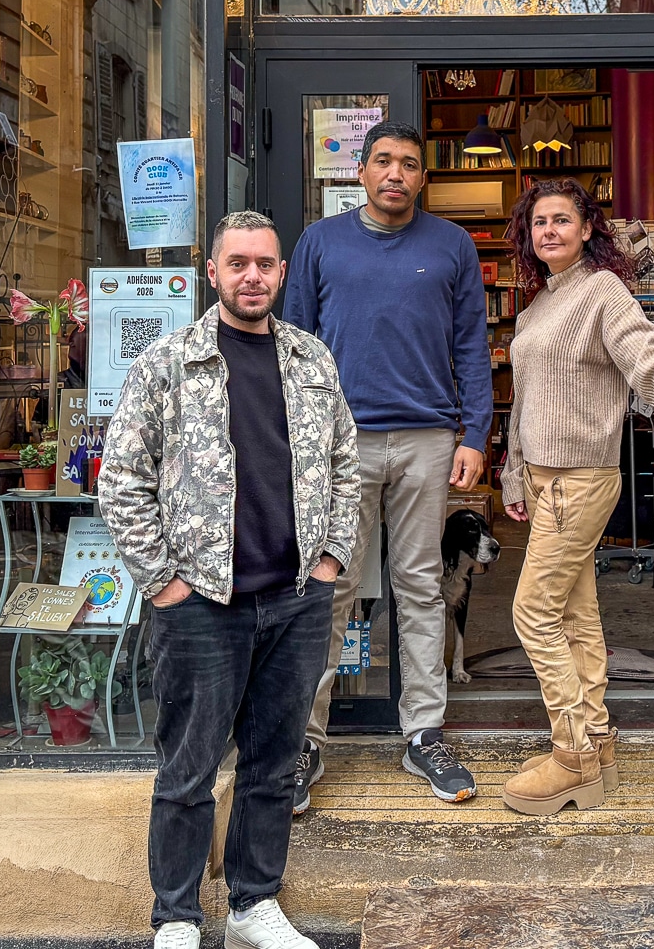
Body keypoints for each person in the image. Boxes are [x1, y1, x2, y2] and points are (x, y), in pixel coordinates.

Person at [99, 210, 359, 949]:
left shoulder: (312, 359)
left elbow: (347, 466)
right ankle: (176, 916)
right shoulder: (169, 362)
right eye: (238, 263)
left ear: (282, 273)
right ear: (212, 272)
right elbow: (121, 481)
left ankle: (253, 906)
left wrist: (330, 563)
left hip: (295, 599)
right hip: (202, 605)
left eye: (266, 264)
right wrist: (163, 584)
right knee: (187, 769)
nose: (253, 276)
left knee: (274, 766)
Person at [496, 179, 654, 816]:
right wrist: (515, 475)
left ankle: (571, 754)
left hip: (579, 479)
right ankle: (599, 746)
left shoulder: (602, 291)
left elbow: (647, 359)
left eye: (561, 221)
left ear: (587, 229)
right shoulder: (538, 303)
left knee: (531, 613)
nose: (548, 231)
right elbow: (526, 405)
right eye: (538, 222)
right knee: (574, 616)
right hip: (545, 479)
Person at [282, 119, 492, 811]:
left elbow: (471, 346)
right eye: (383, 161)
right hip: (343, 442)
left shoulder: (452, 246)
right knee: (330, 588)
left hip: (429, 439)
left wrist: (475, 433)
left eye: (408, 163)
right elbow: (295, 349)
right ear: (361, 172)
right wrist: (302, 438)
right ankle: (305, 740)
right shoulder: (320, 242)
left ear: (423, 177)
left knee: (421, 585)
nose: (395, 173)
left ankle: (423, 733)